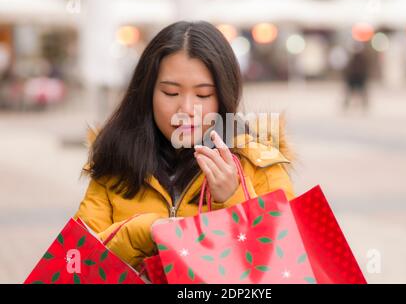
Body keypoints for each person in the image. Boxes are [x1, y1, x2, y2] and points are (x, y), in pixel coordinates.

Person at [73, 21, 297, 271]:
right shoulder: (116, 160)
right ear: (147, 93)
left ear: (225, 96)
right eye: (170, 93)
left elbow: (286, 265)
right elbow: (76, 263)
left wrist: (233, 197)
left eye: (203, 95)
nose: (187, 110)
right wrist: (145, 232)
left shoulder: (258, 162)